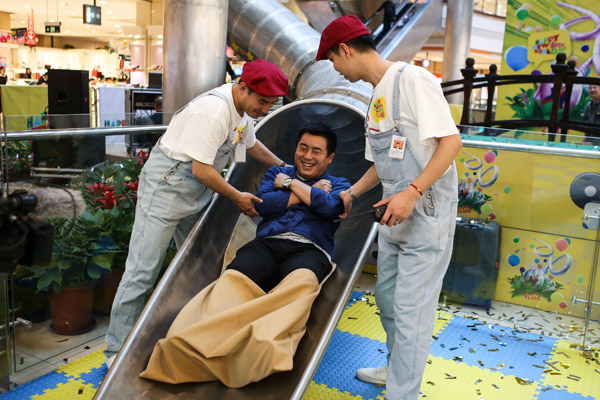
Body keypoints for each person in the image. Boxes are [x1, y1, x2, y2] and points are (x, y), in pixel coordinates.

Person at [104, 58, 290, 367]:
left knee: (198, 263)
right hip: (167, 188)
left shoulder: (242, 112)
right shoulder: (214, 111)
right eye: (262, 102)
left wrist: (286, 168)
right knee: (142, 272)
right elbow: (202, 170)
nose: (265, 109)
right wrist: (236, 198)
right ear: (243, 87)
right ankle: (115, 351)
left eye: (271, 104)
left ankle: (186, 332)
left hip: (197, 192)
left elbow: (252, 146)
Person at [139, 122, 350, 387]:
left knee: (302, 286)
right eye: (303, 148)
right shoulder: (276, 172)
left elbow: (331, 208)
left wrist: (289, 184)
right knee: (230, 281)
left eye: (316, 151)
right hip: (267, 244)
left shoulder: (339, 183)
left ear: (329, 157)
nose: (307, 156)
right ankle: (188, 343)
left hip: (309, 249)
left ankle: (258, 346)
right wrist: (306, 191)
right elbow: (263, 205)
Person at [317, 15, 462, 399]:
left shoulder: (413, 80)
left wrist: (413, 191)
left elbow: (451, 143)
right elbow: (380, 165)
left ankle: (403, 392)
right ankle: (397, 366)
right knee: (387, 300)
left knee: (413, 312)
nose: (334, 69)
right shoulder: (375, 98)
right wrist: (352, 194)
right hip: (393, 215)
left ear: (345, 50)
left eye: (332, 60)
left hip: (425, 212)